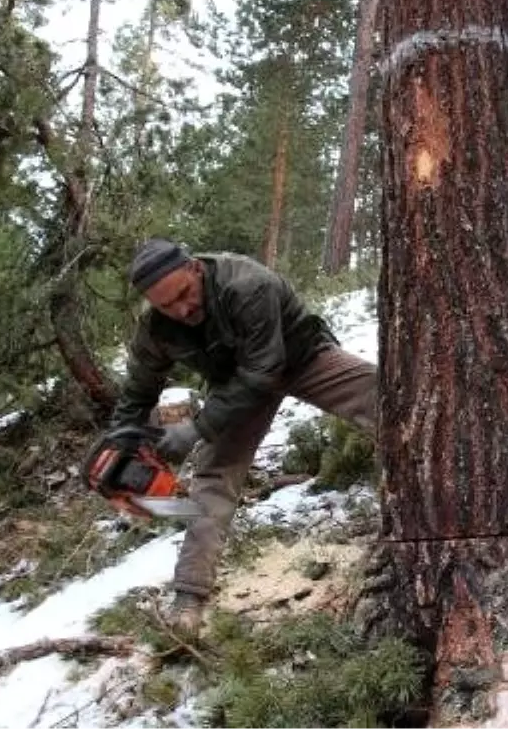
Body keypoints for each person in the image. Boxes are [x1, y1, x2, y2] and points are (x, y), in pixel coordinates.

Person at [100, 238, 377, 635]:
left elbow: (264, 371)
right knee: (212, 480)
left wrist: (197, 428)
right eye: (167, 305)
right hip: (233, 386)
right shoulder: (156, 329)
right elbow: (138, 391)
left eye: (184, 295)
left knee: (388, 399)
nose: (182, 310)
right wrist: (121, 444)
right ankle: (189, 598)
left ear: (195, 268)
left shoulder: (247, 283)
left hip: (302, 357)